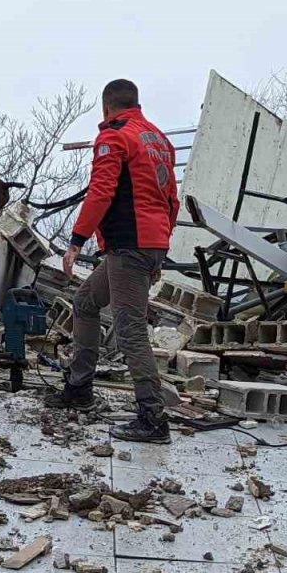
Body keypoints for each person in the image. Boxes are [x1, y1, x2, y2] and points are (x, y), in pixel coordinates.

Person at [45, 79, 180, 444]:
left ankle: (153, 419)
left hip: (129, 245)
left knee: (130, 330)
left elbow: (101, 192)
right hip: (148, 243)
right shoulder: (158, 140)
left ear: (106, 108)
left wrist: (75, 242)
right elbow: (172, 199)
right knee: (85, 302)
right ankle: (79, 387)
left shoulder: (115, 136)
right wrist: (160, 251)